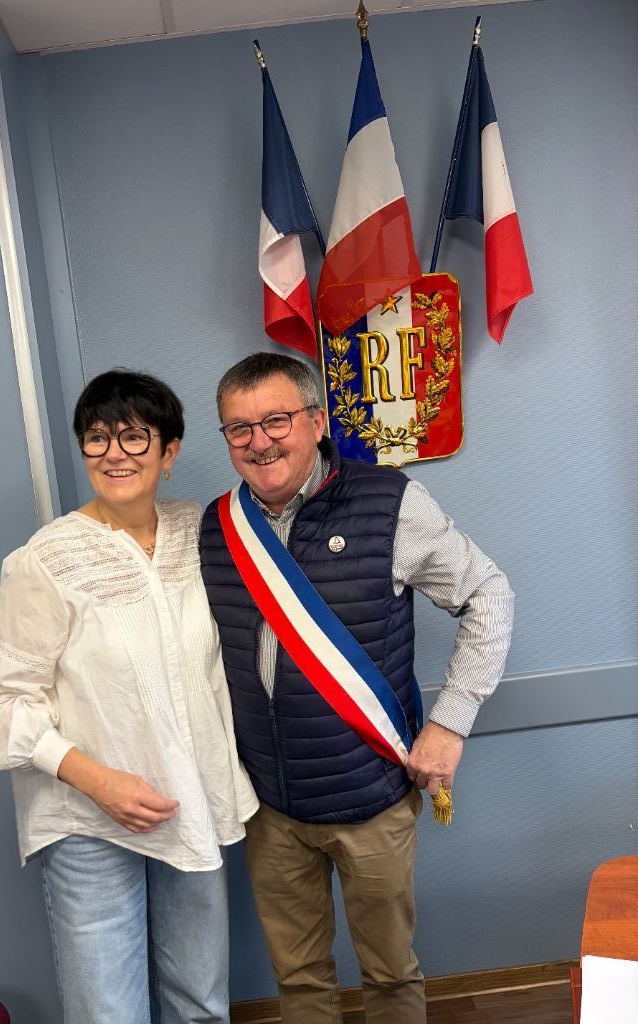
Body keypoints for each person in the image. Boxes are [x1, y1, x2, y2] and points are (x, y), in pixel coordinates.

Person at [200, 352, 514, 1024]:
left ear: (317, 422)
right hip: (270, 808)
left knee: (390, 975)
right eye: (239, 428)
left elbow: (489, 595)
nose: (260, 442)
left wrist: (449, 724)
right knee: (299, 983)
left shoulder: (389, 503)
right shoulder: (215, 527)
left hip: (370, 797)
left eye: (277, 420)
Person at [0, 369, 257, 1024]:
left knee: (201, 1004)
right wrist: (99, 782)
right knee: (108, 1015)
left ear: (169, 451)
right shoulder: (46, 560)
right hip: (87, 821)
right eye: (97, 437)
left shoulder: (201, 534)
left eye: (134, 436)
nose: (114, 453)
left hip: (187, 801)